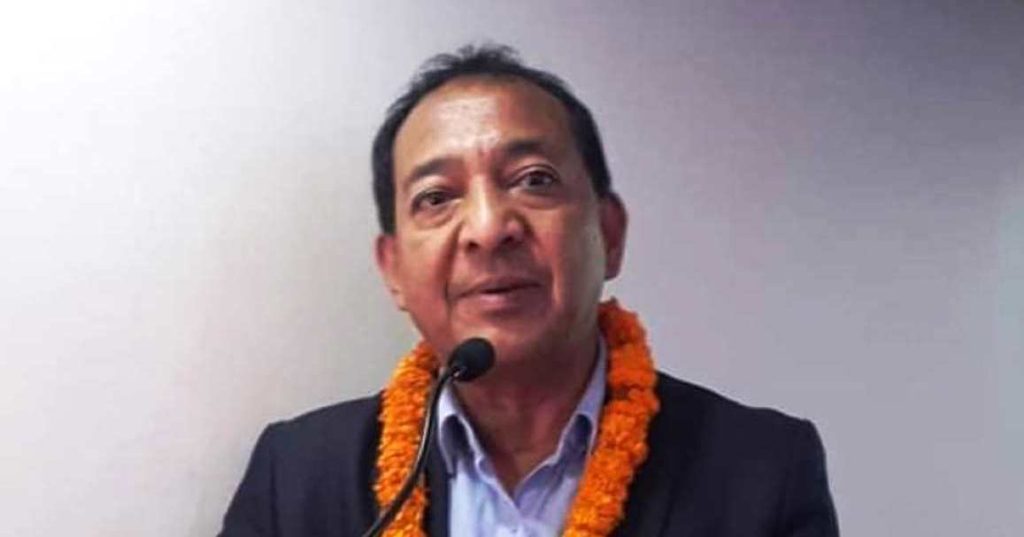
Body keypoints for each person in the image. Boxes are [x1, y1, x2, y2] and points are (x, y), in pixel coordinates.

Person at [219, 44, 839, 537]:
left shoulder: (763, 470)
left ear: (609, 234)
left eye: (533, 180)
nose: (489, 228)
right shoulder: (294, 478)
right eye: (436, 197)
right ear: (394, 271)